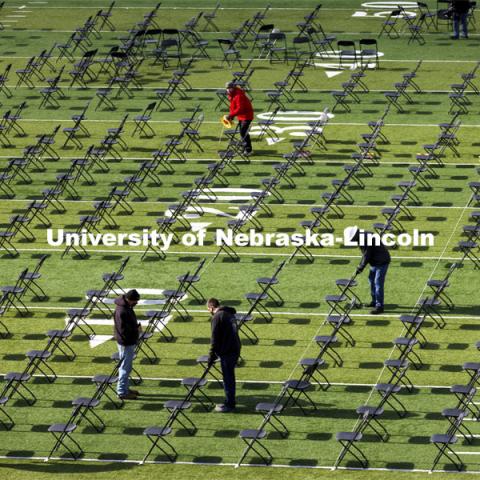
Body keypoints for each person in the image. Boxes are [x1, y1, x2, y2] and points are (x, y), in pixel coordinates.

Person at [207, 297, 241, 413]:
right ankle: (230, 400)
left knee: (228, 378)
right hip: (235, 348)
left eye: (208, 309)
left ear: (211, 307)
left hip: (228, 351)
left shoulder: (217, 317)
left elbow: (214, 339)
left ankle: (230, 404)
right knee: (229, 376)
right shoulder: (229, 313)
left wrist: (211, 356)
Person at [348, 227, 391, 315]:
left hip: (381, 262)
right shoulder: (363, 236)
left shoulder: (366, 239)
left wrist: (360, 268)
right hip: (375, 262)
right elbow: (365, 255)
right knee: (371, 281)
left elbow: (367, 255)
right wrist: (360, 266)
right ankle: (374, 301)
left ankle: (379, 307)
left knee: (378, 283)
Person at [113, 289, 141, 400]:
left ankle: (125, 389)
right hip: (126, 342)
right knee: (125, 368)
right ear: (129, 300)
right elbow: (124, 330)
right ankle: (121, 392)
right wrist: (136, 330)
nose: (136, 303)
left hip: (126, 341)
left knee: (126, 367)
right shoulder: (122, 311)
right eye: (135, 301)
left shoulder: (125, 307)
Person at [225, 81, 254, 156]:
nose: (228, 90)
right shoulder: (232, 94)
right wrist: (232, 116)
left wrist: (231, 115)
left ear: (233, 88)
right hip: (242, 116)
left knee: (243, 132)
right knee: (242, 132)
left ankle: (248, 150)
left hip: (246, 116)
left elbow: (240, 108)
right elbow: (233, 106)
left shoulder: (238, 95)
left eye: (229, 88)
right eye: (227, 88)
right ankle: (245, 147)